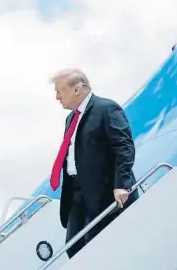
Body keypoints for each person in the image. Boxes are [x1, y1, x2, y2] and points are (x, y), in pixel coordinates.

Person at [48, 68, 139, 259]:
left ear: (77, 90)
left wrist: (122, 184)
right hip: (76, 192)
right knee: (74, 248)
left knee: (99, 247)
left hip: (103, 192)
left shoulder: (106, 109)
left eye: (59, 91)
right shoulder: (70, 119)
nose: (57, 97)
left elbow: (124, 147)